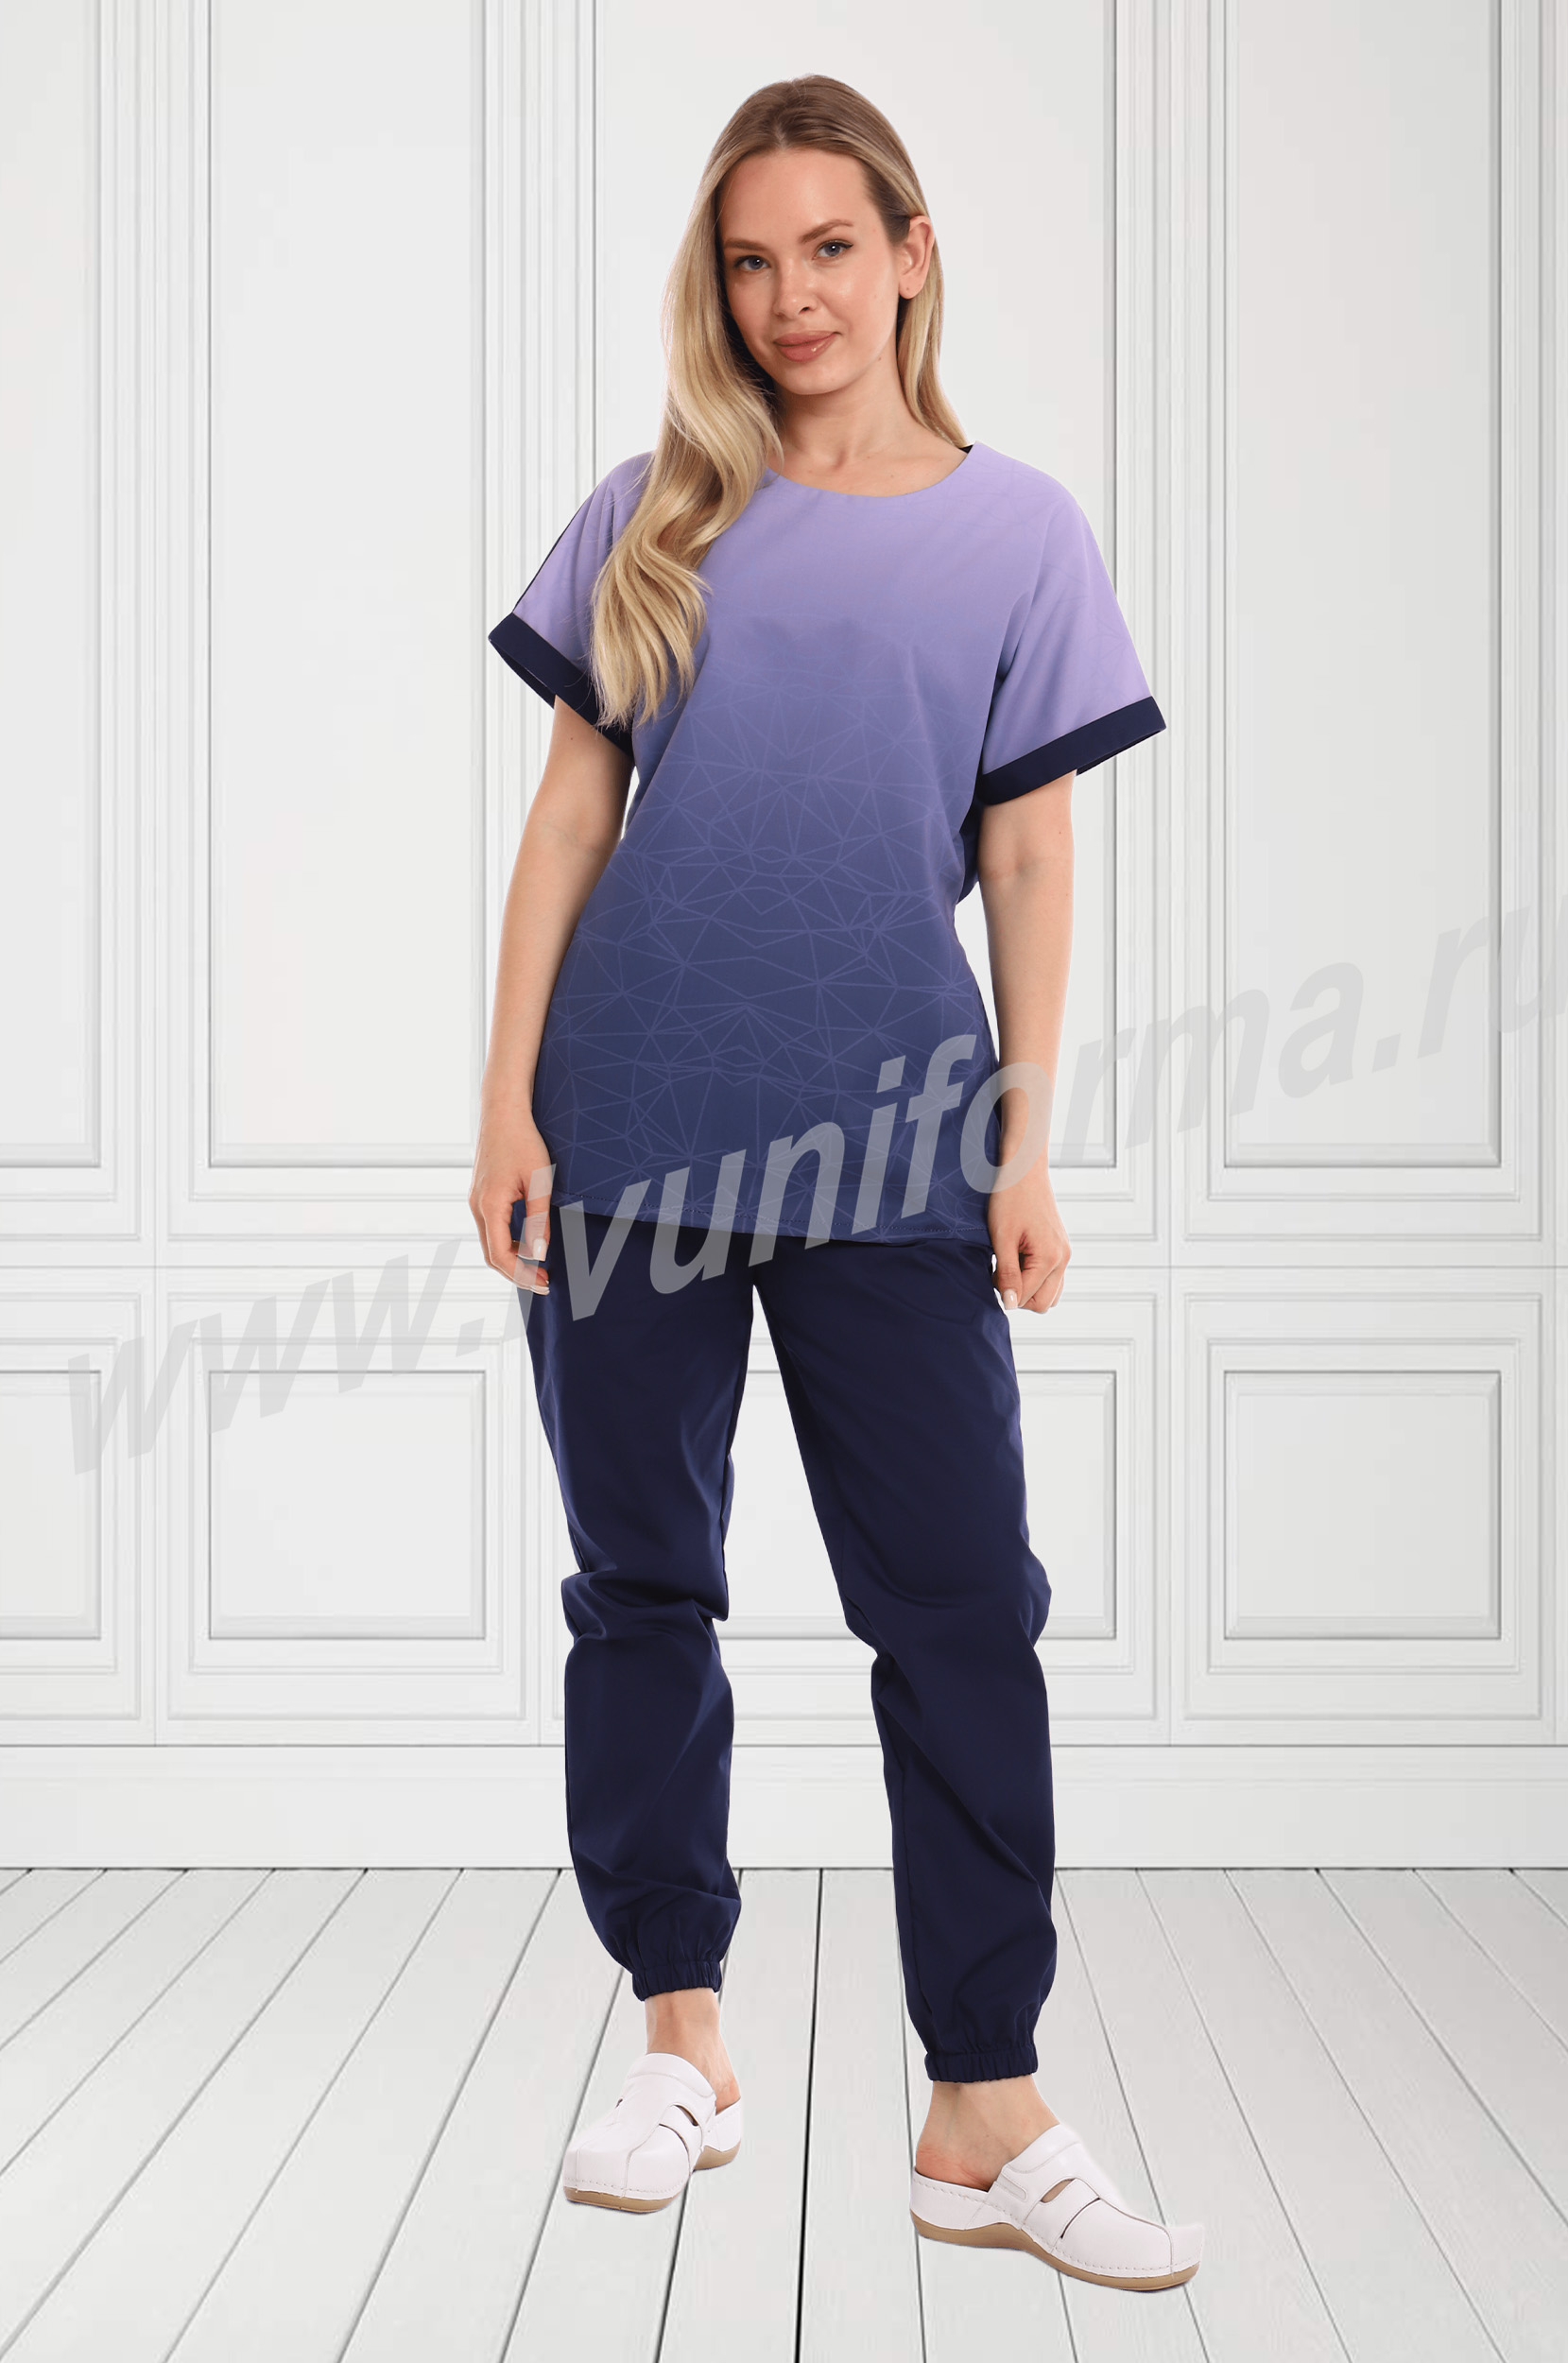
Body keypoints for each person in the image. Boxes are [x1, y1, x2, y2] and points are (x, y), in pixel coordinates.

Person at [468, 74, 1204, 2295]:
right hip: (627, 1128)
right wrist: (503, 1101)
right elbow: (570, 816)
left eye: (826, 247)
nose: (788, 296)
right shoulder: (649, 516)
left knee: (959, 1603)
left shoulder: (1018, 532)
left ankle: (984, 2098)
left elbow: (1029, 851)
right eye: (748, 260)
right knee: (643, 1589)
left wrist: (1028, 1135)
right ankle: (678, 2038)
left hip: (895, 1144)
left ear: (906, 254)